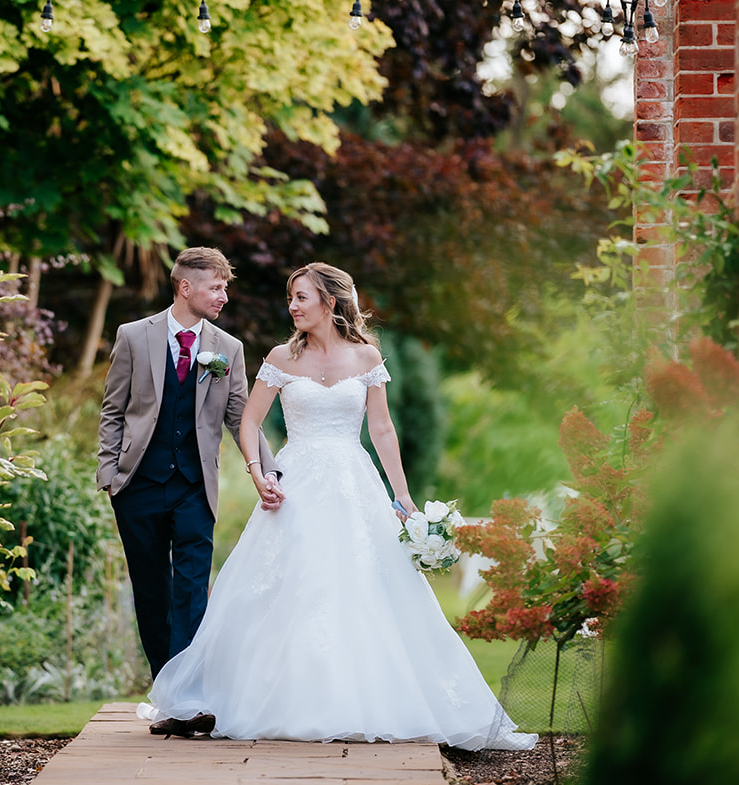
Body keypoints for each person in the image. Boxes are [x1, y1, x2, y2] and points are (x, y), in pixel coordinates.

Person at [140, 263, 536, 749]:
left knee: (364, 585)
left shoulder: (366, 355)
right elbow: (249, 421)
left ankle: (361, 697)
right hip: (296, 484)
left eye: (301, 297)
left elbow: (383, 429)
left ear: (329, 301)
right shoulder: (281, 357)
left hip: (354, 483)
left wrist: (404, 496)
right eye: (291, 298)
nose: (293, 306)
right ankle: (272, 697)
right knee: (289, 585)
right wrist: (258, 473)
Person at [98, 247, 284, 735]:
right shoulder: (134, 337)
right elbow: (113, 410)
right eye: (216, 287)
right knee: (152, 591)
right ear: (186, 288)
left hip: (194, 487)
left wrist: (271, 471)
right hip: (136, 485)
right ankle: (168, 694)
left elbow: (243, 418)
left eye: (225, 287)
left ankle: (190, 699)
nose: (224, 296)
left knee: (192, 590)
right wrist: (109, 475)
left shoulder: (228, 348)